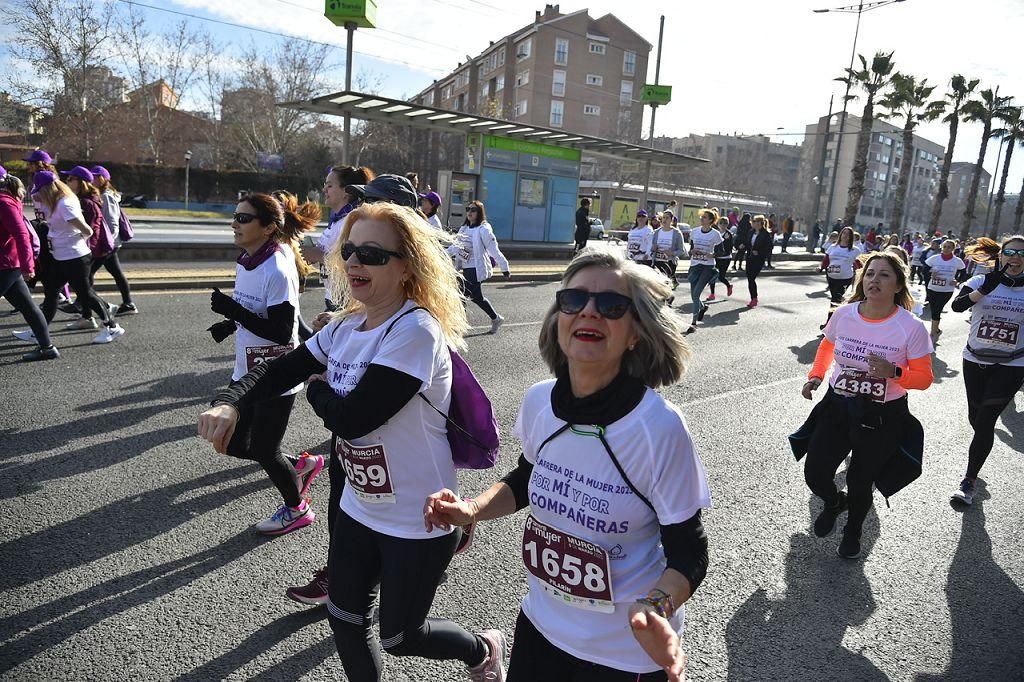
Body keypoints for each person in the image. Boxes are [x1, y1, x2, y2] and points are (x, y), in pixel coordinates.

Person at [200, 202, 506, 681]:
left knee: (401, 636)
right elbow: (280, 369)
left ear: (407, 266)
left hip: (419, 515)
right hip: (360, 508)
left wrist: (317, 385)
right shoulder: (344, 326)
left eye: (372, 254)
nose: (356, 262)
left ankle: (483, 650)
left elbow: (355, 420)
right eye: (349, 251)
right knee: (345, 619)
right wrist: (230, 402)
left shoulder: (414, 331)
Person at [425, 245, 710, 682]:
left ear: (635, 332)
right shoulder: (541, 401)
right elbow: (528, 476)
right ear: (559, 318)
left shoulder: (659, 428)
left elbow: (689, 553)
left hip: (624, 652)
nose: (589, 312)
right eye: (574, 300)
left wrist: (655, 608)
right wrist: (473, 510)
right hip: (542, 627)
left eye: (613, 306)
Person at [795, 250, 933, 559]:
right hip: (839, 403)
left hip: (882, 414)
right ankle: (834, 502)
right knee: (815, 473)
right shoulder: (845, 314)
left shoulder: (911, 327)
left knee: (860, 481)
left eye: (884, 275)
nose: (875, 280)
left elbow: (924, 378)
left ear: (898, 285)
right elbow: (828, 344)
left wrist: (894, 372)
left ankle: (853, 530)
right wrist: (816, 376)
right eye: (870, 273)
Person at [203, 192, 323, 535]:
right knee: (232, 444)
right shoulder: (248, 257)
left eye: (244, 219)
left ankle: (297, 509)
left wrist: (232, 311)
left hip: (275, 372)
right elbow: (254, 308)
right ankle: (301, 465)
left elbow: (282, 331)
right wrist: (230, 324)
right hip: (246, 368)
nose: (235, 223)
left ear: (268, 227)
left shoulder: (277, 268)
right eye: (235, 216)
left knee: (264, 450)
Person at [948, 235, 1024, 506]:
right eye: (1010, 252)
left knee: (986, 421)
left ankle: (969, 481)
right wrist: (984, 290)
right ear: (1001, 256)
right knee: (976, 417)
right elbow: (957, 306)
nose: (1015, 257)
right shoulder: (981, 281)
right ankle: (980, 448)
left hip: (1012, 364)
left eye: (1021, 253)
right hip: (975, 359)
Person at [11, 171, 124, 344]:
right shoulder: (55, 203)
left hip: (75, 257)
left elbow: (87, 231)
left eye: (39, 191)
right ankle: (38, 332)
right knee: (51, 292)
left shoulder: (65, 204)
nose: (38, 195)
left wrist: (71, 241)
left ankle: (112, 326)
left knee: (86, 294)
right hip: (61, 256)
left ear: (48, 189)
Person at [0, 168, 59, 361]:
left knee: (29, 308)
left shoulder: (4, 203)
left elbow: (21, 235)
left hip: (6, 266)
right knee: (29, 308)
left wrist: (27, 267)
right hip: (8, 265)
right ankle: (47, 348)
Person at [301, 166, 374, 312]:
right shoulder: (337, 220)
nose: (324, 190)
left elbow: (353, 262)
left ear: (346, 192)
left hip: (347, 301)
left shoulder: (351, 221)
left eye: (329, 185)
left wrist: (315, 254)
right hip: (333, 298)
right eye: (324, 185)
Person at [449, 199, 511, 334]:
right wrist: (441, 254)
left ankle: (458, 326)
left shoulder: (483, 229)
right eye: (468, 209)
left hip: (477, 269)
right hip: (466, 268)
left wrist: (505, 268)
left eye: (473, 210)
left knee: (461, 295)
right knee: (477, 298)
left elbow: (494, 250)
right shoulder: (464, 228)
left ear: (479, 213)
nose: (469, 212)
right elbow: (455, 247)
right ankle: (496, 318)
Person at [64, 166, 114, 326]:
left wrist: (85, 253)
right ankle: (88, 316)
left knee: (83, 286)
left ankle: (107, 317)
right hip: (85, 251)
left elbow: (91, 231)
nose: (67, 181)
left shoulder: (87, 203)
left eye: (70, 179)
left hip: (90, 252)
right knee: (82, 286)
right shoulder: (81, 200)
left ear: (80, 182)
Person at [88, 166, 137, 315]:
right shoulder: (100, 195)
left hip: (108, 244)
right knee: (116, 273)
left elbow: (112, 223)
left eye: (96, 177)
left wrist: (107, 243)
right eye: (92, 176)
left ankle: (87, 305)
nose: (93, 179)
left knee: (86, 275)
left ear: (103, 179)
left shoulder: (106, 196)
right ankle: (128, 303)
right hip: (109, 243)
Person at [684, 210, 723, 334]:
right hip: (694, 265)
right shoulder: (694, 232)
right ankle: (703, 307)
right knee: (693, 296)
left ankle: (693, 323)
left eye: (704, 217)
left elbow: (722, 251)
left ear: (711, 220)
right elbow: (690, 250)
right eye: (701, 217)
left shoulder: (715, 234)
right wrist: (692, 252)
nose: (702, 219)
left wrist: (712, 255)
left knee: (696, 294)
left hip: (707, 267)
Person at [924, 239, 966, 345]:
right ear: (942, 247)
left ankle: (932, 334)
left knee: (937, 309)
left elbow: (963, 273)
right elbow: (924, 270)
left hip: (947, 290)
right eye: (945, 247)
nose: (946, 249)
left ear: (953, 249)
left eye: (949, 247)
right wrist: (930, 274)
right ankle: (936, 330)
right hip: (932, 288)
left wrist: (957, 281)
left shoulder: (957, 261)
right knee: (934, 309)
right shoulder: (934, 258)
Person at [820, 226, 859, 330]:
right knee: (835, 300)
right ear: (840, 235)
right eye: (844, 233)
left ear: (851, 237)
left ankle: (829, 325)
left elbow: (858, 264)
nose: (845, 236)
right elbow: (826, 259)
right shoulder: (833, 247)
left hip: (845, 277)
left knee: (835, 299)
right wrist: (821, 268)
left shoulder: (855, 250)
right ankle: (839, 321)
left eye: (848, 234)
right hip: (831, 276)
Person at [650, 211, 686, 290]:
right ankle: (673, 284)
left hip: (669, 262)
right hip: (657, 261)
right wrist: (653, 248)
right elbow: (651, 248)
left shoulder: (677, 233)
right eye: (663, 218)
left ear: (671, 220)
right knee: (658, 285)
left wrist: (672, 253)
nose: (664, 220)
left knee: (664, 285)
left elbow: (681, 250)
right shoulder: (656, 232)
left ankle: (668, 296)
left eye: (667, 218)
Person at [742, 215, 773, 308]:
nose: (753, 223)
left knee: (751, 278)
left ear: (760, 223)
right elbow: (748, 243)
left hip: (759, 259)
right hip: (750, 258)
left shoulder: (765, 234)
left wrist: (759, 252)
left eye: (755, 221)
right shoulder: (751, 232)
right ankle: (754, 298)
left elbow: (769, 247)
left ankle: (754, 298)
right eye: (753, 221)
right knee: (749, 278)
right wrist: (743, 245)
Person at [708, 216, 734, 301]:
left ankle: (728, 286)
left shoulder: (728, 234)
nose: (723, 225)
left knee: (721, 277)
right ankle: (712, 294)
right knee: (712, 275)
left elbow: (729, 249)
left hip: (725, 258)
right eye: (721, 223)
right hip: (716, 257)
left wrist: (719, 254)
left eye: (725, 223)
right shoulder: (716, 233)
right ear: (718, 224)